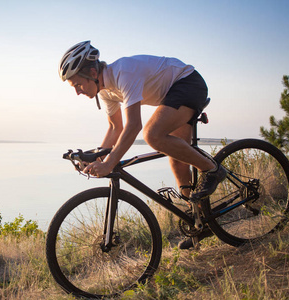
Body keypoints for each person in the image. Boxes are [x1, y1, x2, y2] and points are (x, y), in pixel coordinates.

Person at [58, 41, 226, 249]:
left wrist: (110, 163)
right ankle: (202, 223)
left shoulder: (123, 73)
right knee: (178, 163)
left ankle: (212, 169)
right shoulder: (105, 91)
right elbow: (115, 128)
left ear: (92, 72)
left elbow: (133, 126)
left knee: (152, 135)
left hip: (188, 83)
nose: (77, 92)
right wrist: (97, 158)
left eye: (77, 85)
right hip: (171, 96)